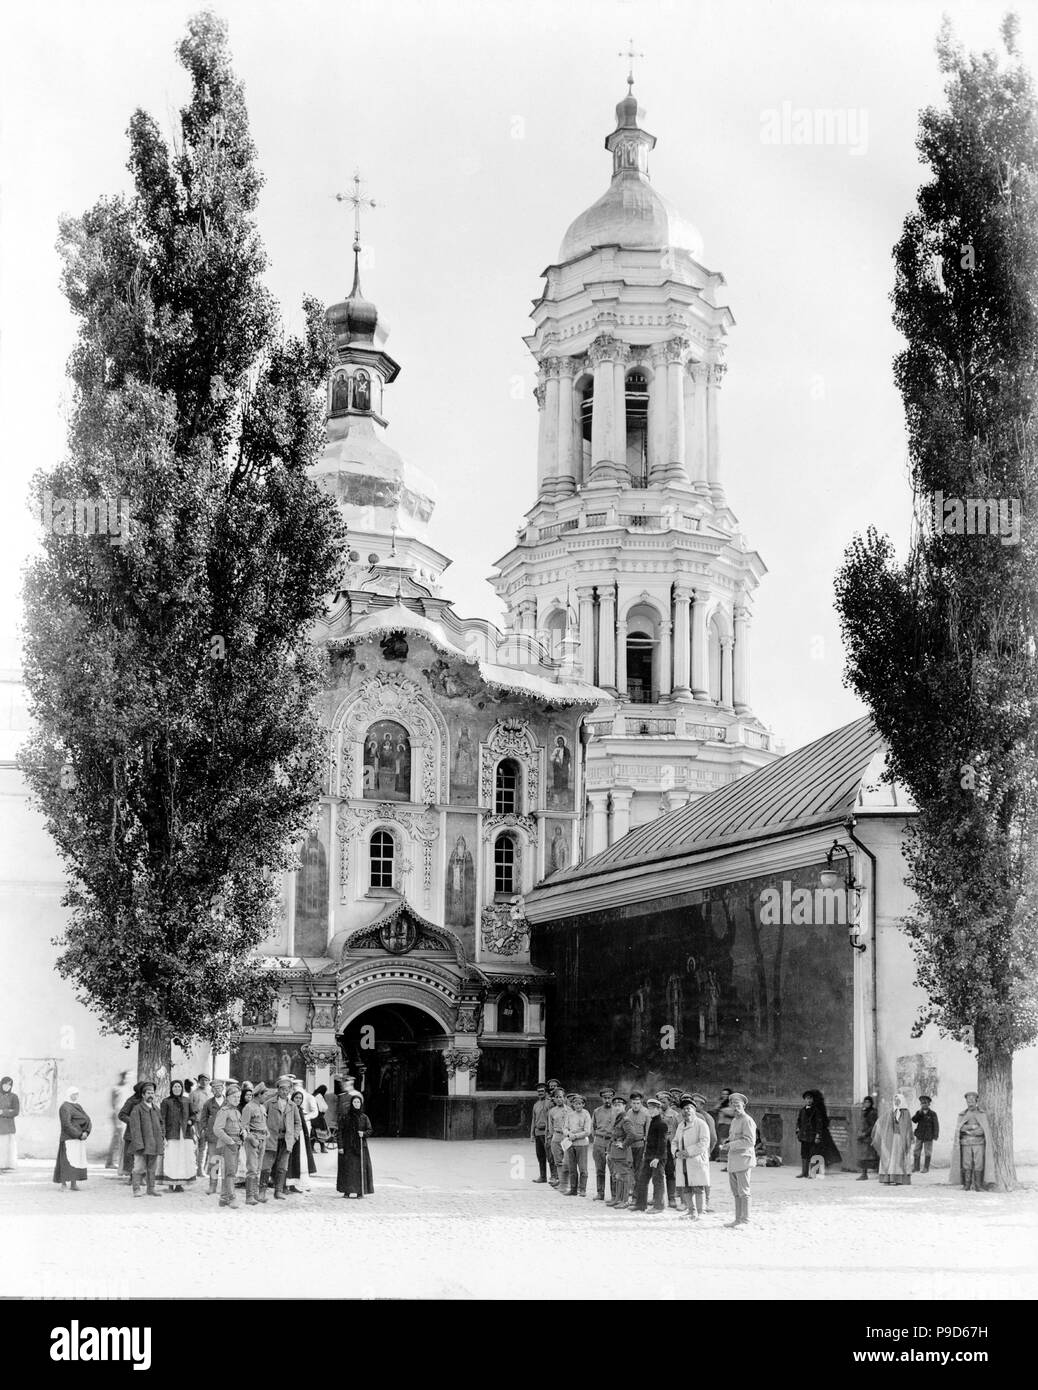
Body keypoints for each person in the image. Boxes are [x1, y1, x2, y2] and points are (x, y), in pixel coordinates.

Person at [721, 1092, 757, 1227]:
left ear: (743, 1106)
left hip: (743, 1160)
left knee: (744, 1192)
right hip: (733, 1160)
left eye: (738, 1105)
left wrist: (731, 1145)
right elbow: (735, 1137)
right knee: (736, 1192)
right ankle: (738, 1219)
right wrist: (728, 1141)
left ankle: (745, 1220)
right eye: (733, 1105)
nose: (735, 1108)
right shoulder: (735, 1120)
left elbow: (749, 1141)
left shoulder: (747, 1120)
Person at [262, 1079, 301, 1201]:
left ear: (290, 1090)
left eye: (287, 1089)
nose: (284, 1092)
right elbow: (261, 1118)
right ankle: (262, 1191)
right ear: (278, 1090)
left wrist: (294, 1136)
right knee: (267, 1166)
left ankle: (278, 1191)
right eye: (282, 1089)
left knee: (282, 1167)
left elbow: (297, 1123)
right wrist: (264, 1132)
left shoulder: (293, 1106)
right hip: (271, 1139)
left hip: (286, 1140)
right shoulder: (269, 1103)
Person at [673, 1095, 711, 1219]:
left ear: (694, 1110)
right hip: (682, 1161)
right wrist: (676, 1152)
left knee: (698, 1187)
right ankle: (691, 1211)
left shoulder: (701, 1124)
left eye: (689, 1108)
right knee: (686, 1187)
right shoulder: (680, 1125)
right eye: (684, 1108)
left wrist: (688, 1152)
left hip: (696, 1161)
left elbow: (704, 1143)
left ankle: (700, 1212)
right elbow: (674, 1141)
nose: (686, 1111)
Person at [949, 1092, 994, 1192]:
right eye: (968, 1100)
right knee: (966, 1164)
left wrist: (968, 1131)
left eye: (972, 1100)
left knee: (979, 1163)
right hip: (966, 1143)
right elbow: (960, 1128)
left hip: (979, 1143)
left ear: (976, 1101)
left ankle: (978, 1185)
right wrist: (973, 1127)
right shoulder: (963, 1114)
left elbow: (982, 1130)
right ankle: (967, 1185)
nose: (970, 1102)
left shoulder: (981, 1114)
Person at [631, 1096, 668, 1213]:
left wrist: (657, 1158)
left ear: (659, 1109)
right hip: (648, 1157)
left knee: (658, 1181)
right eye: (649, 1109)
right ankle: (640, 1205)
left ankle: (659, 1206)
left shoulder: (661, 1123)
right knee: (642, 1180)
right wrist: (646, 1155)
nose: (650, 1111)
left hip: (657, 1158)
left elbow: (662, 1143)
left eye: (652, 1109)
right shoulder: (653, 1122)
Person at [128, 1082, 164, 1197]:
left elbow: (161, 1125)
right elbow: (135, 1129)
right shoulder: (137, 1109)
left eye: (152, 1093)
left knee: (152, 1168)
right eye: (148, 1093)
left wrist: (161, 1138)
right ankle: (136, 1189)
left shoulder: (156, 1109)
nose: (151, 1095)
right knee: (138, 1167)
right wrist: (139, 1144)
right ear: (143, 1095)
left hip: (154, 1144)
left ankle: (151, 1189)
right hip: (141, 1145)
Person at [796, 1088, 842, 1177]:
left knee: (814, 1153)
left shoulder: (816, 1111)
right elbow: (799, 1122)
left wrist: (818, 1135)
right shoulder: (802, 1110)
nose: (808, 1100)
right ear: (804, 1100)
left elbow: (819, 1124)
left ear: (813, 1100)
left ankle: (813, 1172)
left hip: (812, 1136)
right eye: (807, 1099)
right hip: (804, 1136)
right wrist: (798, 1131)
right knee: (804, 1154)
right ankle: (804, 1172)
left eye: (810, 1098)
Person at [53, 1086, 91, 1192]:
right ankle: (63, 1184)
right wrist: (79, 1134)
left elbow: (87, 1119)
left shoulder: (78, 1106)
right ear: (69, 1094)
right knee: (67, 1161)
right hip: (69, 1138)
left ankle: (74, 1183)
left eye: (77, 1094)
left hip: (79, 1139)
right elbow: (66, 1124)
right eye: (74, 1094)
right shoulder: (64, 1107)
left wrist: (86, 1132)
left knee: (76, 1160)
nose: (76, 1096)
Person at [213, 1082, 245, 1209]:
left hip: (236, 1144)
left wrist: (244, 1131)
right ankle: (231, 1198)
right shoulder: (224, 1111)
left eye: (238, 1097)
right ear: (227, 1098)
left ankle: (224, 1198)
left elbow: (240, 1126)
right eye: (234, 1097)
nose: (237, 1099)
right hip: (228, 1145)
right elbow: (217, 1129)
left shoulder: (237, 1112)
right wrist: (230, 1141)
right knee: (230, 1172)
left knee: (232, 1171)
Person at [160, 1079, 195, 1192]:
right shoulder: (166, 1101)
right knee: (172, 1158)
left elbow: (193, 1114)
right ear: (171, 1088)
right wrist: (163, 1135)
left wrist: (190, 1121)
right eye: (175, 1087)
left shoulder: (187, 1100)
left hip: (185, 1134)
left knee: (183, 1158)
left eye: (179, 1087)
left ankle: (180, 1184)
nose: (177, 1089)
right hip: (172, 1134)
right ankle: (170, 1184)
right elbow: (162, 1119)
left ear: (182, 1088)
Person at [337, 1093, 374, 1198]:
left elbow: (370, 1130)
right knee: (348, 1169)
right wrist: (340, 1146)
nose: (356, 1104)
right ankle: (347, 1191)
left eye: (358, 1102)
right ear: (351, 1103)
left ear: (361, 1104)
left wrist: (364, 1134)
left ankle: (359, 1191)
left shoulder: (364, 1117)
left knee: (359, 1169)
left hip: (360, 1147)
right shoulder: (345, 1117)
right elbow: (340, 1132)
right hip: (348, 1147)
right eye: (355, 1102)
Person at [873, 1093, 913, 1185]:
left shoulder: (906, 1112)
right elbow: (881, 1121)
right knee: (889, 1158)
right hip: (891, 1139)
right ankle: (888, 1178)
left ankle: (900, 1179)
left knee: (899, 1158)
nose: (896, 1102)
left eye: (898, 1100)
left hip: (901, 1139)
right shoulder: (891, 1111)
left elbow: (908, 1126)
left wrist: (908, 1137)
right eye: (895, 1101)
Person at [241, 1082, 269, 1205]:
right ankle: (249, 1196)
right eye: (265, 1095)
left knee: (258, 1168)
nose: (266, 1097)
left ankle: (256, 1194)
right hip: (253, 1140)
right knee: (252, 1168)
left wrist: (266, 1133)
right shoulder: (248, 1107)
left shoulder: (262, 1107)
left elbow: (264, 1123)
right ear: (259, 1095)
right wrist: (252, 1139)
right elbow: (243, 1127)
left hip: (262, 1139)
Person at [562, 1093, 593, 1197]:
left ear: (583, 1104)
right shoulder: (570, 1115)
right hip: (570, 1144)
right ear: (573, 1105)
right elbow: (565, 1128)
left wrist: (575, 1136)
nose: (578, 1106)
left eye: (580, 1104)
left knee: (583, 1168)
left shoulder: (586, 1114)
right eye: (576, 1104)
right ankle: (573, 1189)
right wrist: (568, 1134)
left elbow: (587, 1131)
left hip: (582, 1144)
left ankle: (582, 1189)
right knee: (572, 1168)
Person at [286, 1088, 317, 1193]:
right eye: (296, 1098)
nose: (298, 1100)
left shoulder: (300, 1110)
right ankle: (288, 1184)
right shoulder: (290, 1109)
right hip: (293, 1137)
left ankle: (297, 1183)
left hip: (302, 1138)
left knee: (301, 1160)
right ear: (293, 1098)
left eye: (300, 1098)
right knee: (291, 1160)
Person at [200, 1080, 226, 1194]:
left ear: (223, 1089)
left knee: (226, 1162)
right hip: (213, 1137)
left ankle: (225, 1187)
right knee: (214, 1161)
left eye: (219, 1088)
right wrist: (206, 1131)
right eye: (215, 1089)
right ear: (212, 1090)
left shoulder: (228, 1102)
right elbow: (203, 1120)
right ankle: (212, 1185)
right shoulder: (208, 1103)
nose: (217, 1090)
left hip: (226, 1136)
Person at [657, 1090, 682, 1209]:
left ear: (669, 1101)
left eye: (664, 1102)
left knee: (670, 1172)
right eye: (660, 1102)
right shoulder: (655, 1114)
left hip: (669, 1146)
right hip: (657, 1146)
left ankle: (671, 1198)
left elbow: (679, 1131)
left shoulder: (675, 1115)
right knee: (657, 1173)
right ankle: (657, 1197)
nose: (662, 1104)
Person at [117, 1081, 146, 1182]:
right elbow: (121, 1115)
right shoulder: (131, 1101)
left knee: (143, 1155)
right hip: (132, 1133)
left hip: (145, 1133)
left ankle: (142, 1176)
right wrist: (133, 1121)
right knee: (132, 1155)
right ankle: (132, 1177)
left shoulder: (147, 1100)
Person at [590, 1087, 616, 1201]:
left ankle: (614, 1195)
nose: (607, 1100)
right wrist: (597, 1138)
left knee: (613, 1170)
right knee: (600, 1169)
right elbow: (593, 1127)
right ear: (602, 1098)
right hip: (599, 1141)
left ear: (612, 1098)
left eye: (609, 1098)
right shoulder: (597, 1111)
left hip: (611, 1142)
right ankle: (600, 1193)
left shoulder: (618, 1111)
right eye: (605, 1098)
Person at [605, 1095, 630, 1207]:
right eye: (615, 1105)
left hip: (622, 1152)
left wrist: (624, 1144)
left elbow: (632, 1135)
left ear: (624, 1106)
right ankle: (618, 1199)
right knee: (618, 1175)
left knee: (624, 1176)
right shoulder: (618, 1118)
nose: (617, 1107)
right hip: (616, 1151)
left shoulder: (625, 1119)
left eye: (619, 1105)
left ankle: (624, 1201)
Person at [105, 1071, 132, 1169]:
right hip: (118, 1115)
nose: (128, 1079)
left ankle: (111, 1162)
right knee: (119, 1138)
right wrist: (118, 1119)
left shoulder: (128, 1089)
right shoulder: (116, 1088)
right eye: (126, 1077)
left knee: (118, 1138)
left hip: (125, 1115)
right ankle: (113, 1162)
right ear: (122, 1077)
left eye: (129, 1077)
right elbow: (114, 1104)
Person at [546, 1087, 571, 1192]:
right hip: (556, 1136)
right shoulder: (552, 1111)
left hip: (566, 1137)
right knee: (558, 1161)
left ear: (564, 1098)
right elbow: (550, 1127)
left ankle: (568, 1183)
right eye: (557, 1097)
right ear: (554, 1099)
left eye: (561, 1097)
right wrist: (550, 1137)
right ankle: (561, 1182)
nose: (559, 1099)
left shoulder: (569, 1110)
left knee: (568, 1161)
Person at [189, 1074, 212, 1179]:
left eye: (206, 1080)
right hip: (195, 1122)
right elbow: (190, 1108)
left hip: (206, 1123)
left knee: (203, 1147)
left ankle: (200, 1170)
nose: (204, 1082)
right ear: (198, 1081)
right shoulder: (193, 1093)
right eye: (202, 1080)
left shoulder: (210, 1094)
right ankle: (192, 1170)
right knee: (194, 1146)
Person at [911, 1095, 940, 1174]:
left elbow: (936, 1125)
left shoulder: (933, 1114)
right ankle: (916, 1167)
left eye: (925, 1103)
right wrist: (919, 1113)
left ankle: (926, 1167)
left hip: (928, 1136)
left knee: (928, 1151)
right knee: (916, 1150)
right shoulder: (919, 1113)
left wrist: (935, 1135)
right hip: (920, 1135)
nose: (924, 1104)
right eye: (922, 1103)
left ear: (929, 1104)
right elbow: (914, 1120)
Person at [530, 1082, 551, 1184]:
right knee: (540, 1155)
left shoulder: (549, 1103)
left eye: (542, 1091)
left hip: (547, 1133)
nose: (540, 1093)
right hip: (538, 1133)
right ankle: (543, 1177)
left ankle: (554, 1177)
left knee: (550, 1156)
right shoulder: (536, 1105)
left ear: (546, 1092)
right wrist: (532, 1134)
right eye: (538, 1092)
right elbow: (533, 1120)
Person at [857, 1096, 880, 1180]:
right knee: (867, 1156)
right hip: (864, 1137)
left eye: (868, 1102)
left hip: (869, 1137)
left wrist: (865, 1134)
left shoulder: (872, 1112)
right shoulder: (864, 1112)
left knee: (869, 1156)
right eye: (865, 1102)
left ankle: (865, 1174)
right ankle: (865, 1173)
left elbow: (873, 1125)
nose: (867, 1104)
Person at [0, 1076, 20, 1173]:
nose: (7, 1087)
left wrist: (3, 1112)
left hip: (8, 1126)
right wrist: (9, 1111)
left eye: (9, 1085)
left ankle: (6, 1165)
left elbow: (16, 1111)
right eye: (5, 1084)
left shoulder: (14, 1097)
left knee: (7, 1146)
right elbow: (11, 1111)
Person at [712, 1088, 735, 1164]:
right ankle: (724, 1157)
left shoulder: (732, 1103)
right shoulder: (722, 1103)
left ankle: (728, 1157)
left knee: (726, 1141)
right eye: (723, 1094)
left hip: (728, 1124)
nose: (724, 1096)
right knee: (722, 1142)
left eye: (726, 1094)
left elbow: (733, 1112)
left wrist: (722, 1110)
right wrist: (721, 1103)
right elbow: (715, 1109)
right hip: (721, 1124)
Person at [312, 1085, 331, 1153]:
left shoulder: (313, 1095)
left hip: (313, 1116)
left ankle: (312, 1148)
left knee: (314, 1132)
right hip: (319, 1116)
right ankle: (322, 1148)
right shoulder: (319, 1096)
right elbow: (323, 1107)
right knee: (322, 1131)